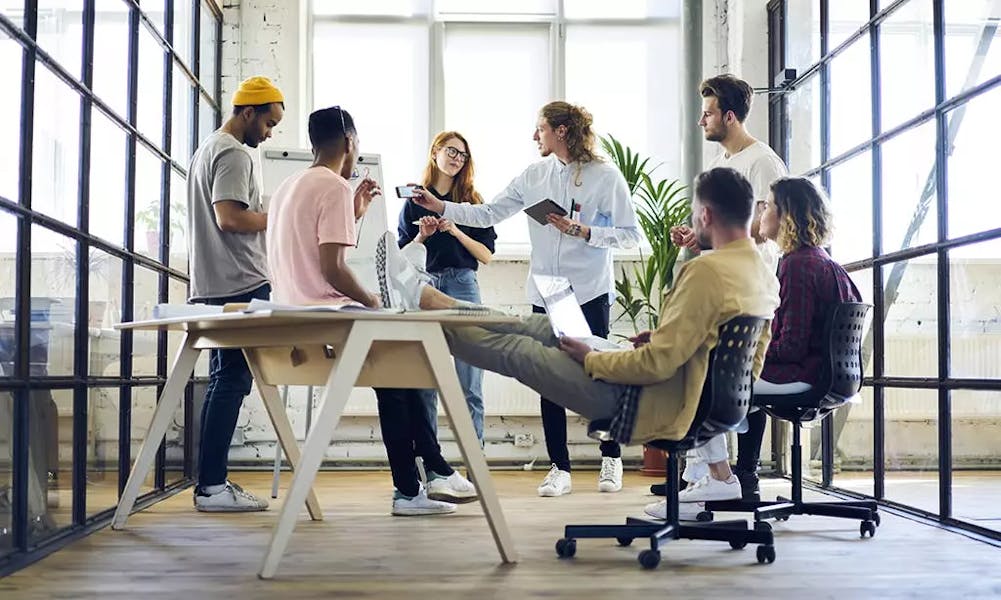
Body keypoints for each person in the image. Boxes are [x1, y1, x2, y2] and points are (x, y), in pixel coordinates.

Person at [440, 167, 779, 520]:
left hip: (654, 403)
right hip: (712, 403)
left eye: (695, 212)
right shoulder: (762, 275)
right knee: (542, 327)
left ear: (705, 215)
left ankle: (436, 326)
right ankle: (445, 306)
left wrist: (591, 359)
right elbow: (743, 361)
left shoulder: (705, 271)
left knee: (523, 350)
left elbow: (655, 365)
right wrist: (663, 341)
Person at [412, 102, 640, 497]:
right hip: (548, 292)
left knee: (602, 373)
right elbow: (487, 213)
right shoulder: (534, 175)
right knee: (547, 378)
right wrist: (441, 206)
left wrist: (584, 232)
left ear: (562, 131)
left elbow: (630, 234)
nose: (535, 136)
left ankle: (611, 456)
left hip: (589, 290)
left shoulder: (606, 177)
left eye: (541, 129)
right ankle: (559, 467)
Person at [265, 105, 478, 516]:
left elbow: (306, 248)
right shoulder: (333, 186)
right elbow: (333, 269)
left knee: (398, 374)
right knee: (407, 364)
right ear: (349, 142)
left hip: (295, 315)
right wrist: (371, 301)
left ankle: (424, 478)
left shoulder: (290, 185)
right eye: (357, 143)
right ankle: (421, 480)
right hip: (329, 313)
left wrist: (355, 213)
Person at [663, 74, 789, 503]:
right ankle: (703, 474)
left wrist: (718, 234)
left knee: (741, 382)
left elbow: (766, 225)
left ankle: (745, 476)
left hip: (749, 286)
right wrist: (696, 237)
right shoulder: (720, 164)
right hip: (720, 283)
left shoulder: (763, 162)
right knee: (705, 375)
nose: (702, 120)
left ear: (730, 116)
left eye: (709, 113)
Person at [186, 76, 284, 512]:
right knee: (233, 380)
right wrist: (277, 215)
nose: (269, 133)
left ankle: (211, 483)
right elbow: (230, 219)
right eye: (268, 123)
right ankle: (211, 487)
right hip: (239, 282)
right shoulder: (233, 154)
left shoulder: (207, 149)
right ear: (248, 113)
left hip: (215, 283)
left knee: (224, 379)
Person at [397, 131, 497, 444]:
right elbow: (401, 258)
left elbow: (486, 255)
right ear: (435, 152)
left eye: (462, 155)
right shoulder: (415, 201)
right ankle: (431, 462)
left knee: (470, 382)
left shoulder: (473, 203)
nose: (457, 159)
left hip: (463, 284)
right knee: (426, 382)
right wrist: (422, 236)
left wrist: (455, 231)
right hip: (425, 285)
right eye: (452, 151)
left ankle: (475, 456)